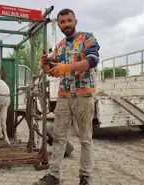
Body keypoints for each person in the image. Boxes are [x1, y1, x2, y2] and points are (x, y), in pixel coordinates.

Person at [33, 8, 100, 185]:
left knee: (85, 138)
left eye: (69, 21)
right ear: (60, 24)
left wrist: (68, 68)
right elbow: (53, 71)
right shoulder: (61, 45)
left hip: (83, 96)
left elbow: (93, 60)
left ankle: (85, 177)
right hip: (63, 97)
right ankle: (54, 175)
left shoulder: (87, 38)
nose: (66, 25)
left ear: (75, 21)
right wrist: (45, 65)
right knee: (59, 136)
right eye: (62, 22)